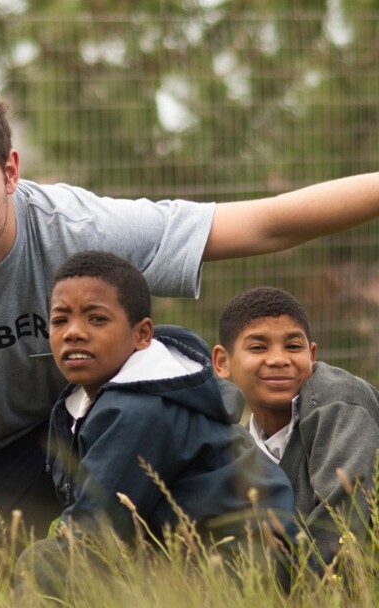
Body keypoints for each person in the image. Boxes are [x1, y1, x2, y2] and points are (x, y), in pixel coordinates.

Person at [0, 72, 379, 574]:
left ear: (9, 170)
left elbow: (265, 226)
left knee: (227, 545)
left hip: (115, 426)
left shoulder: (76, 229)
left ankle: (322, 555)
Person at [15, 251, 294, 595]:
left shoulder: (139, 409)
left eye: (97, 319)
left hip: (242, 569)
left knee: (45, 564)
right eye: (60, 321)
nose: (73, 333)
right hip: (194, 557)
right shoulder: (96, 399)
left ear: (142, 335)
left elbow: (96, 531)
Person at [212, 287, 379, 567]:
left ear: (311, 355)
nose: (279, 359)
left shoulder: (340, 404)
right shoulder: (236, 443)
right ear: (222, 362)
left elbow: (344, 529)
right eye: (258, 347)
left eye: (293, 346)